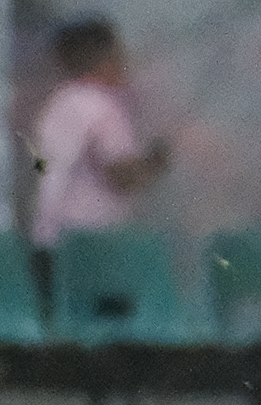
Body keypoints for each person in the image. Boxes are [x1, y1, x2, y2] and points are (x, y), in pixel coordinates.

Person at [26, 16, 168, 245]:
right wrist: (156, 162)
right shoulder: (103, 106)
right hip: (91, 241)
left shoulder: (58, 103)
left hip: (50, 235)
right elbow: (121, 176)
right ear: (106, 61)